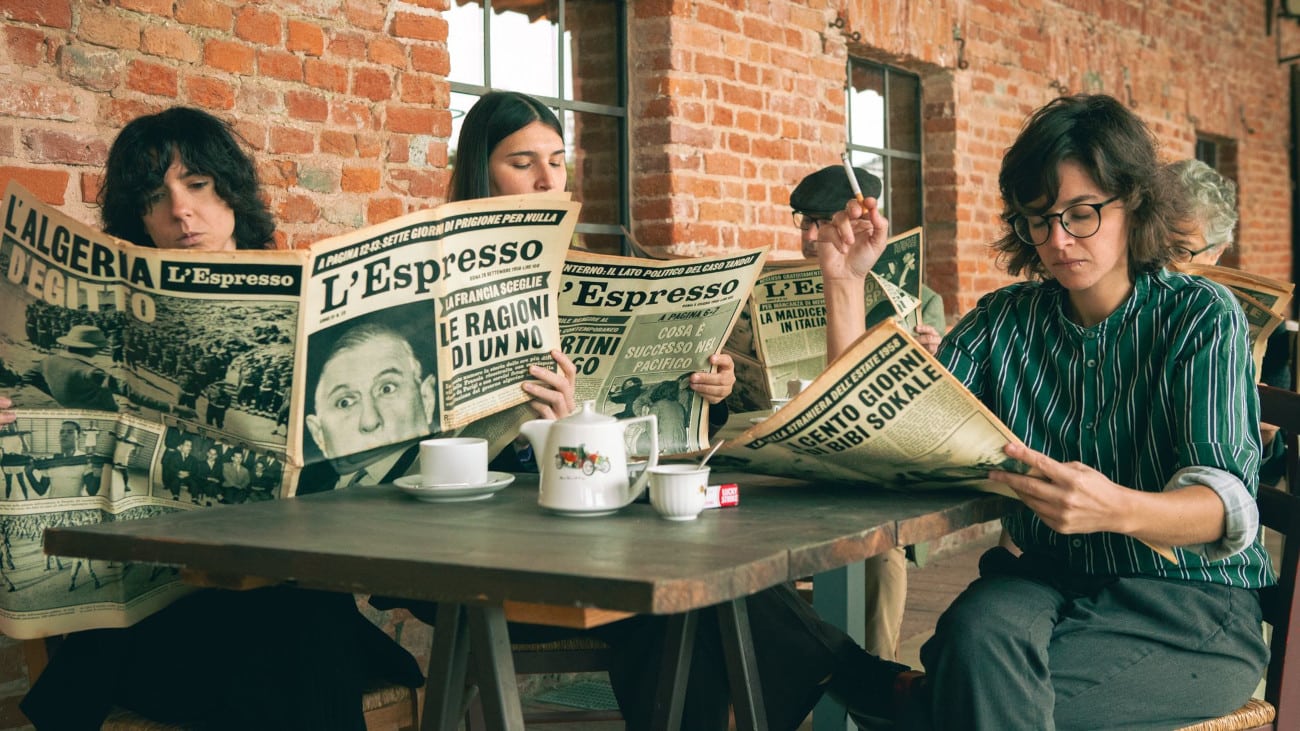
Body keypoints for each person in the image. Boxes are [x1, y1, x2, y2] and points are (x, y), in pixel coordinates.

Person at [431, 90, 908, 731]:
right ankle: (854, 674)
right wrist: (561, 426)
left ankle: (850, 673)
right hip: (490, 542)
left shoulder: (576, 272)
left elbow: (634, 439)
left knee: (691, 584)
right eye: (523, 163)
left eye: (557, 159)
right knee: (695, 586)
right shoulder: (440, 284)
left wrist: (702, 390)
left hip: (598, 524)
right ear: (479, 174)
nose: (549, 180)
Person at [815, 94, 1273, 729]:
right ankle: (890, 691)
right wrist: (845, 282)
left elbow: (1229, 507)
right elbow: (881, 426)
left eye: (1081, 214)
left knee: (976, 689)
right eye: (1039, 218)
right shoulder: (1006, 319)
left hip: (1189, 603)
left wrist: (1115, 507)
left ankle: (891, 692)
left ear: (1132, 202)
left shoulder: (1199, 316)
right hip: (1040, 581)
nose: (1058, 240)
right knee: (979, 633)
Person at [21, 106, 424, 731]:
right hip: (160, 613)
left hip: (294, 600)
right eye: (156, 197)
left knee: (293, 627)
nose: (180, 211)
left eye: (198, 186)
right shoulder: (108, 329)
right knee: (285, 649)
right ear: (138, 216)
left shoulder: (304, 305)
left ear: (231, 192)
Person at [790, 164, 950, 662]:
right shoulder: (768, 292)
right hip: (792, 468)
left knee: (881, 549)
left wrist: (934, 359)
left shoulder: (922, 303)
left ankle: (875, 680)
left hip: (866, 470)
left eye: (823, 221)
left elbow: (928, 411)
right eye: (803, 222)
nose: (811, 236)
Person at [1167, 158, 1291, 487]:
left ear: (1218, 252)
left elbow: (1271, 474)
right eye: (1153, 246)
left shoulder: (1270, 333)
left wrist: (1265, 437)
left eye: (1180, 251)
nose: (1164, 267)